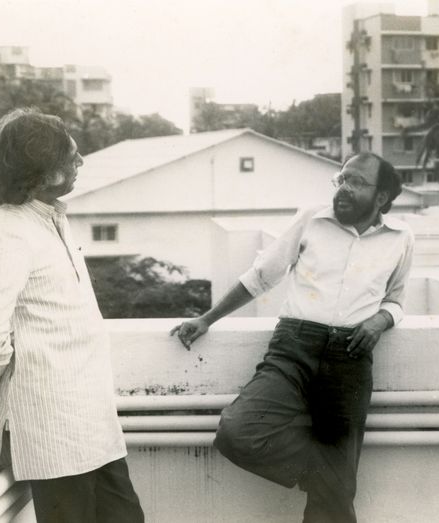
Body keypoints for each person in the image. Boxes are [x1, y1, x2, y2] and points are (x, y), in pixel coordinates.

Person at [171, 152, 413, 522]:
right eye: (342, 179)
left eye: (356, 182)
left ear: (381, 197)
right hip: (293, 349)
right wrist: (208, 319)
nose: (344, 188)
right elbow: (261, 276)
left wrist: (381, 320)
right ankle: (327, 472)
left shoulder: (400, 238)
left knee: (334, 496)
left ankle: (332, 477)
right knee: (239, 433)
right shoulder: (311, 220)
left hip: (350, 358)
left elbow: (396, 299)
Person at [0, 108, 144, 523]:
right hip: (53, 433)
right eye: (72, 158)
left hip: (94, 423)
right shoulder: (4, 232)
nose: (81, 164)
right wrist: (27, 387)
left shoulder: (48, 218)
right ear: (42, 174)